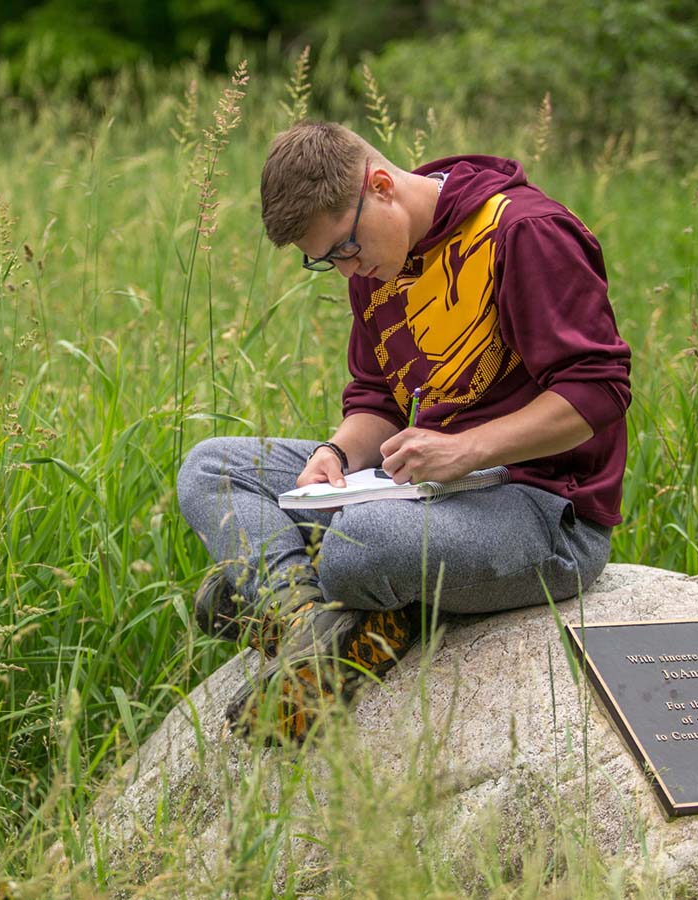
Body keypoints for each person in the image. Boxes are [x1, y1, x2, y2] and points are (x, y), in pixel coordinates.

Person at [176, 120, 631, 744]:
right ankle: (313, 624)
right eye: (326, 261)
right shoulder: (378, 261)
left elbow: (597, 391)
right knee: (212, 467)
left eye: (344, 249)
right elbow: (376, 400)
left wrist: (465, 448)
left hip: (546, 513)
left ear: (381, 185)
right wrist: (336, 454)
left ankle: (304, 599)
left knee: (362, 540)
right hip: (429, 494)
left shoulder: (524, 231)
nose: (346, 271)